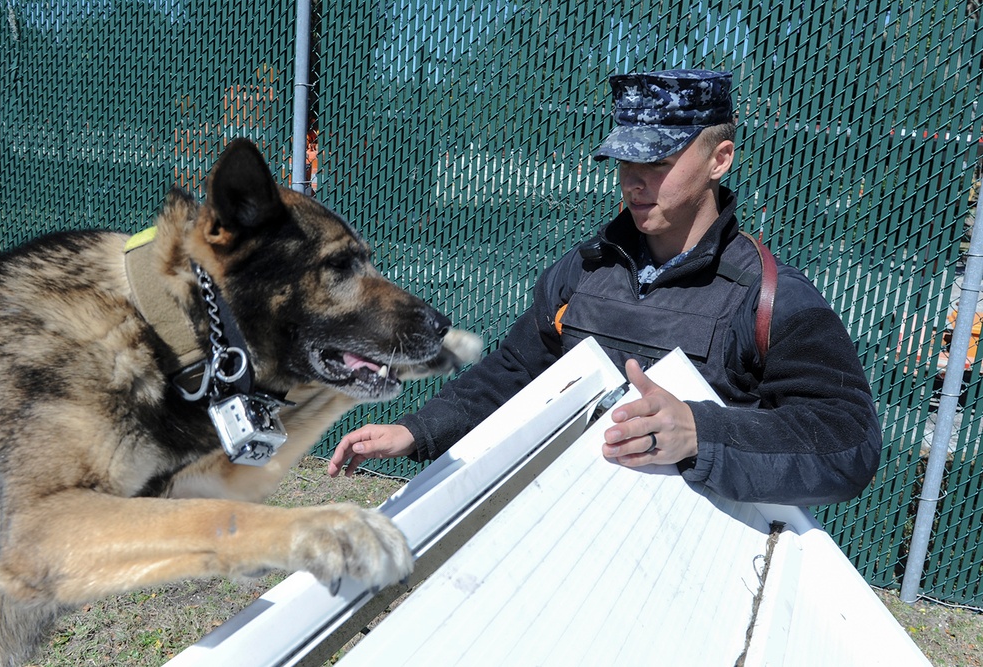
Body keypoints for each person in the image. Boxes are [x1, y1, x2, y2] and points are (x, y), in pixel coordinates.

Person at [328, 69, 882, 506]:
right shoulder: (583, 270)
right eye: (625, 160)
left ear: (720, 159)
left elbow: (848, 443)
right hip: (569, 535)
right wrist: (417, 431)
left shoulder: (769, 297)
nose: (634, 180)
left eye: (659, 162)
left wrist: (701, 432)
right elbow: (515, 373)